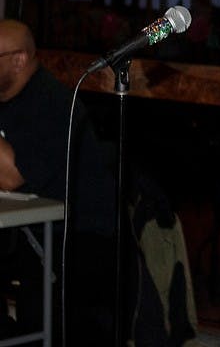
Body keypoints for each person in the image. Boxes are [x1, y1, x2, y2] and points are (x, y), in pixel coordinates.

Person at [0, 19, 115, 340]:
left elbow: (11, 177)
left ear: (19, 59)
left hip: (74, 243)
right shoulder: (9, 101)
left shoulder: (53, 103)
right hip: (25, 234)